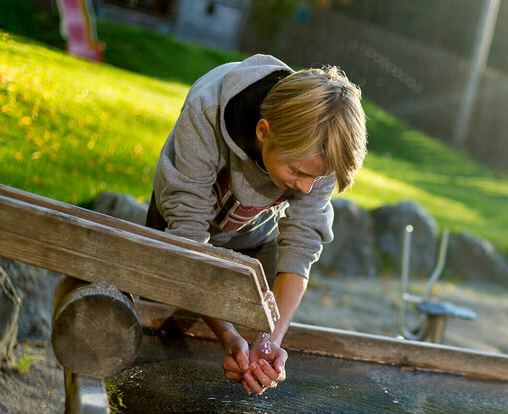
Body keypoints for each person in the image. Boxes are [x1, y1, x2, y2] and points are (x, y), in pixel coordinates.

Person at [146, 54, 367, 396]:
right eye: (297, 173)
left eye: (317, 178)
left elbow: (301, 245)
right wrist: (228, 336)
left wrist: (269, 340)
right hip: (178, 233)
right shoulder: (207, 109)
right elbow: (188, 237)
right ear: (263, 131)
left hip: (254, 239)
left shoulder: (322, 146)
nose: (306, 188)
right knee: (154, 336)